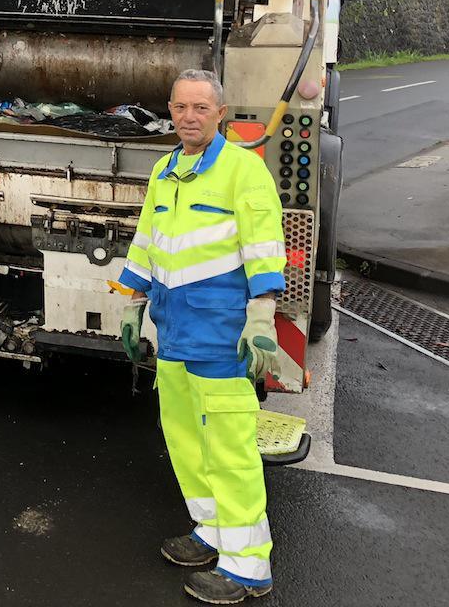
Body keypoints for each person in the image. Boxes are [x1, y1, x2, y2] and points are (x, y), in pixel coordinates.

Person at [118, 69, 286, 604]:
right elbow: (148, 239)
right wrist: (132, 304)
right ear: (170, 111)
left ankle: (248, 566)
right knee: (187, 442)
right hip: (173, 331)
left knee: (230, 450)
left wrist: (262, 318)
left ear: (220, 113)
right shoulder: (167, 169)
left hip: (221, 336)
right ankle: (211, 533)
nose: (189, 117)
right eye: (180, 107)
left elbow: (264, 247)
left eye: (200, 108)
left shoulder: (243, 169)